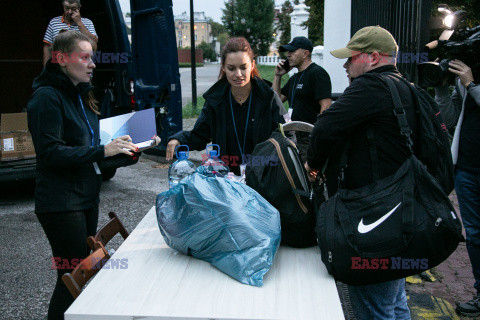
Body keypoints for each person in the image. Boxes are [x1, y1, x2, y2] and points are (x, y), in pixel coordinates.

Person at [27, 30, 158, 320]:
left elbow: (94, 155)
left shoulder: (80, 95)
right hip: (60, 203)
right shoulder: (46, 98)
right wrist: (103, 152)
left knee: (80, 274)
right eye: (85, 57)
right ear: (61, 59)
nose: (92, 64)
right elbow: (51, 154)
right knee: (72, 277)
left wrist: (130, 152)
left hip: (84, 196)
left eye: (93, 58)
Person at [305, 26, 413, 319]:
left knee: (374, 310)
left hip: (375, 220)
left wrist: (313, 165)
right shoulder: (406, 88)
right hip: (403, 214)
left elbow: (325, 127)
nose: (345, 66)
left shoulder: (370, 87)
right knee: (395, 302)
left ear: (373, 57)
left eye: (351, 59)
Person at [166, 37, 284, 176]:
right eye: (231, 68)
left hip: (263, 177)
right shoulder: (215, 100)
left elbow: (286, 135)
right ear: (223, 68)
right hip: (227, 178)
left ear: (252, 65)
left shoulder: (269, 97)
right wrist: (178, 139)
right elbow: (199, 135)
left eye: (243, 67)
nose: (238, 74)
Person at [434, 59, 480, 317]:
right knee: (474, 234)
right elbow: (450, 119)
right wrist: (441, 88)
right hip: (467, 167)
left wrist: (471, 84)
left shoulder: (470, 80)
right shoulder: (466, 78)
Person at [272, 36, 332, 160]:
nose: (288, 55)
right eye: (288, 52)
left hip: (309, 138)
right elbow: (276, 101)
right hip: (293, 137)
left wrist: (317, 136)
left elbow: (326, 105)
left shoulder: (317, 73)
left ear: (305, 53)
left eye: (292, 51)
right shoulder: (294, 78)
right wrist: (277, 76)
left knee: (306, 177)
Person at [43, 0, 98, 65]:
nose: (69, 12)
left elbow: (94, 42)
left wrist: (79, 23)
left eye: (73, 9)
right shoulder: (54, 22)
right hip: (59, 68)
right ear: (63, 7)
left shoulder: (88, 22)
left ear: (79, 8)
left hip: (82, 67)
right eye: (67, 8)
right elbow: (47, 47)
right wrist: (46, 69)